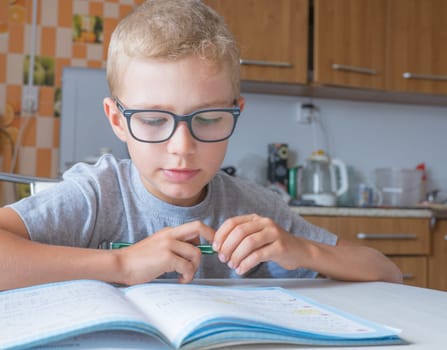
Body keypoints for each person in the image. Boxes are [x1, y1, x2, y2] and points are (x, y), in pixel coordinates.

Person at [0, 0, 402, 291]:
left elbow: (386, 272)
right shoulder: (97, 195)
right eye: (155, 120)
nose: (182, 146)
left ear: (236, 112)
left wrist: (302, 251)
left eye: (208, 119)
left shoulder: (255, 209)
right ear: (117, 120)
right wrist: (120, 263)